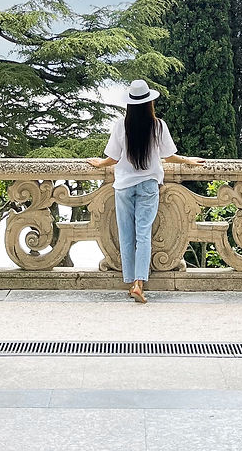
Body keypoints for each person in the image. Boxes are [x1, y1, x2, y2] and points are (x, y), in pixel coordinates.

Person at [87, 79, 204, 303]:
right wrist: (187, 160)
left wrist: (100, 164)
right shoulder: (158, 125)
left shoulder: (121, 125)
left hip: (124, 186)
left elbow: (113, 158)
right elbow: (168, 156)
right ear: (150, 102)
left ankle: (130, 281)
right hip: (149, 185)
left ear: (129, 104)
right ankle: (139, 283)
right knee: (143, 234)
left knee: (126, 235)